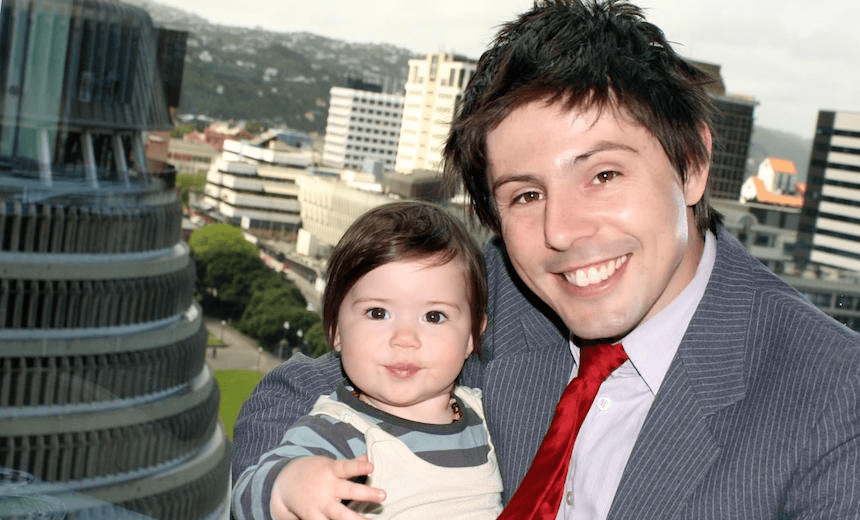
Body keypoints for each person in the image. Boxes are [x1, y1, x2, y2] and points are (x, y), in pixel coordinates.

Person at [233, 1, 860, 518]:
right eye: (527, 195)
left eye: (604, 174)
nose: (562, 232)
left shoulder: (834, 400)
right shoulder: (505, 290)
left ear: (692, 165)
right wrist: (292, 487)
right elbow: (301, 389)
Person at [231, 201, 503, 520]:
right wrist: (290, 486)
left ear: (472, 335)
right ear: (335, 331)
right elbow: (247, 498)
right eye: (378, 313)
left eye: (434, 316)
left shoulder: (488, 417)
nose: (405, 338)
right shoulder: (337, 432)